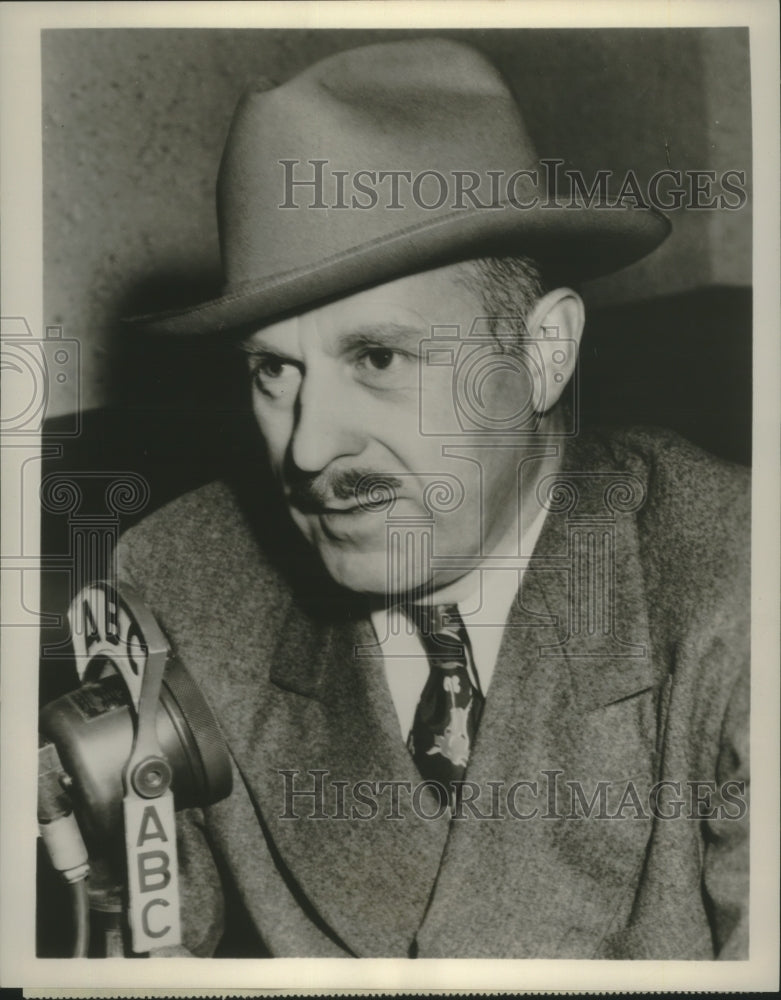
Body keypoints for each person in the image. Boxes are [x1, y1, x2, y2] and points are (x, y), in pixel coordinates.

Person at [118, 38, 749, 958]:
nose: (307, 444)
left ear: (541, 354)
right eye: (272, 370)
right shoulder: (182, 587)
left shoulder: (736, 585)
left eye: (378, 358)